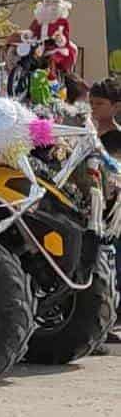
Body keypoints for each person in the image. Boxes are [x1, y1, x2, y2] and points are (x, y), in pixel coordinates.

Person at [89, 77, 121, 351]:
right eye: (91, 104)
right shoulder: (87, 135)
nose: (94, 109)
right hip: (91, 209)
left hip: (112, 212)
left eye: (100, 104)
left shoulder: (117, 138)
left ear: (116, 106)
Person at [29, 0, 78, 75]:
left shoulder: (62, 21)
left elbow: (65, 36)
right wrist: (28, 36)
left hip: (55, 48)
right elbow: (32, 32)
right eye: (47, 3)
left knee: (53, 59)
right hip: (39, 47)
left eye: (54, 3)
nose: (50, 7)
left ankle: (53, 79)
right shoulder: (38, 21)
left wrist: (59, 39)